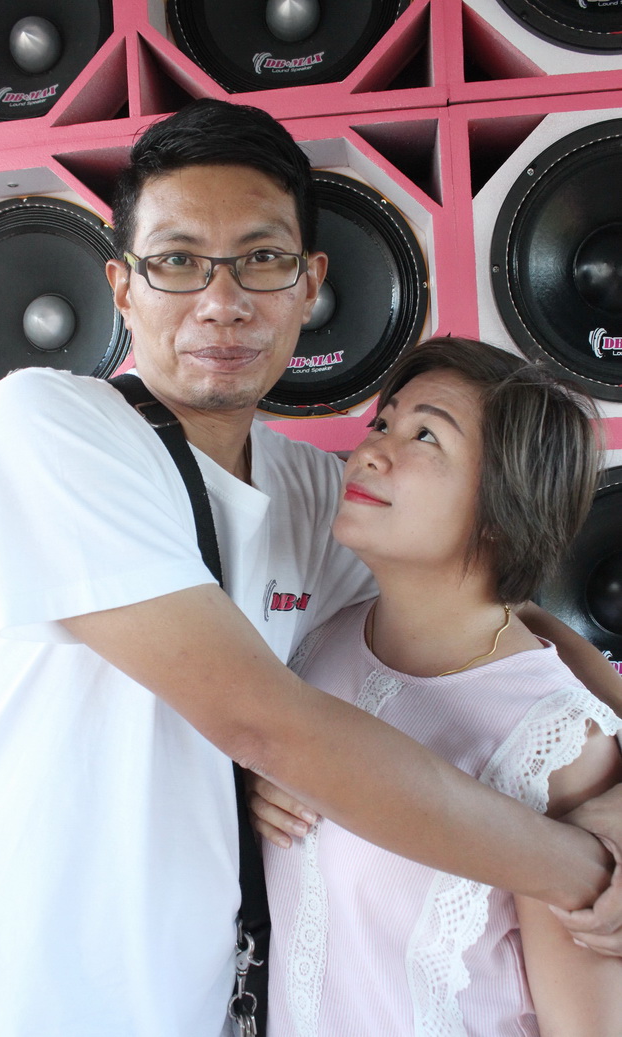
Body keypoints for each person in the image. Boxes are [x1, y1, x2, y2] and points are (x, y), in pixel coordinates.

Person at [0, 98, 620, 1037]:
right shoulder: (51, 426)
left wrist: (613, 783)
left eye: (260, 259)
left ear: (308, 283)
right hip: (21, 1001)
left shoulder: (319, 494)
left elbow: (498, 619)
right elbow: (265, 722)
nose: (222, 301)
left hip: (210, 1009)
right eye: (177, 261)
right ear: (121, 287)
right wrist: (583, 869)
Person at [257, 338, 622, 1035]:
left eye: (425, 435)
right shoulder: (315, 641)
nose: (371, 451)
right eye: (382, 422)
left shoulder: (559, 748)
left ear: (503, 508)